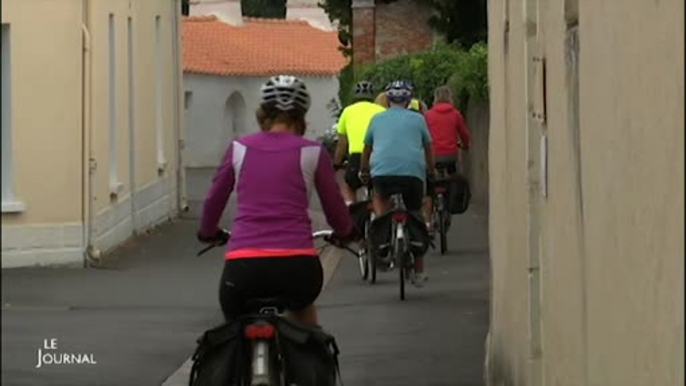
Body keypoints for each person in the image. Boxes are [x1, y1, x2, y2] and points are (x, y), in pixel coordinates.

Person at [197, 75, 356, 326]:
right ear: (301, 116)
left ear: (263, 114)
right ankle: (312, 363)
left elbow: (214, 199)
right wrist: (345, 231)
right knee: (306, 325)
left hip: (244, 266)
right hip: (297, 267)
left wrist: (208, 232)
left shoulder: (239, 148)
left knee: (232, 332)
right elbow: (334, 208)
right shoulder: (313, 151)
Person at [359, 80, 436, 286]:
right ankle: (419, 271)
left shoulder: (377, 119)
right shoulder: (418, 119)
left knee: (380, 198)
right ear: (409, 99)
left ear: (387, 99)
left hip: (382, 174)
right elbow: (428, 147)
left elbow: (367, 148)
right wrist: (431, 170)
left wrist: (364, 170)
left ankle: (382, 239)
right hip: (413, 175)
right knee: (415, 213)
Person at [423, 86, 472, 231]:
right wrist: (465, 145)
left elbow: (423, 136)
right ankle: (449, 202)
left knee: (429, 187)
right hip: (450, 155)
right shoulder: (455, 114)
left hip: (432, 156)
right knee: (451, 178)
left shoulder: (428, 115)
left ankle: (428, 221)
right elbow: (464, 134)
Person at [333, 81, 386, 205]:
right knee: (379, 190)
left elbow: (342, 143)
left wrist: (336, 163)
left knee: (349, 186)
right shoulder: (381, 110)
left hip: (356, 157)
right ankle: (378, 217)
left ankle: (351, 209)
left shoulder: (347, 111)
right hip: (378, 156)